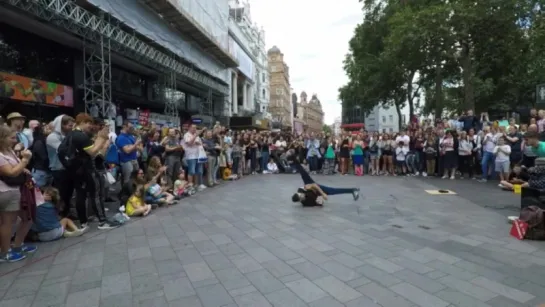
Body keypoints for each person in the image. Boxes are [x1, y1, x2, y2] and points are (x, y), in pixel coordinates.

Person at [288, 151, 359, 207]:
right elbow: (319, 203)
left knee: (303, 174)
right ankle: (353, 190)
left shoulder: (300, 190)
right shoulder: (306, 203)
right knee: (333, 191)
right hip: (317, 192)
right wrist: (321, 198)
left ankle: (292, 159)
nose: (302, 195)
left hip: (314, 186)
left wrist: (323, 194)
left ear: (298, 193)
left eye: (300, 194)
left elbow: (314, 185)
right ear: (300, 200)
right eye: (301, 197)